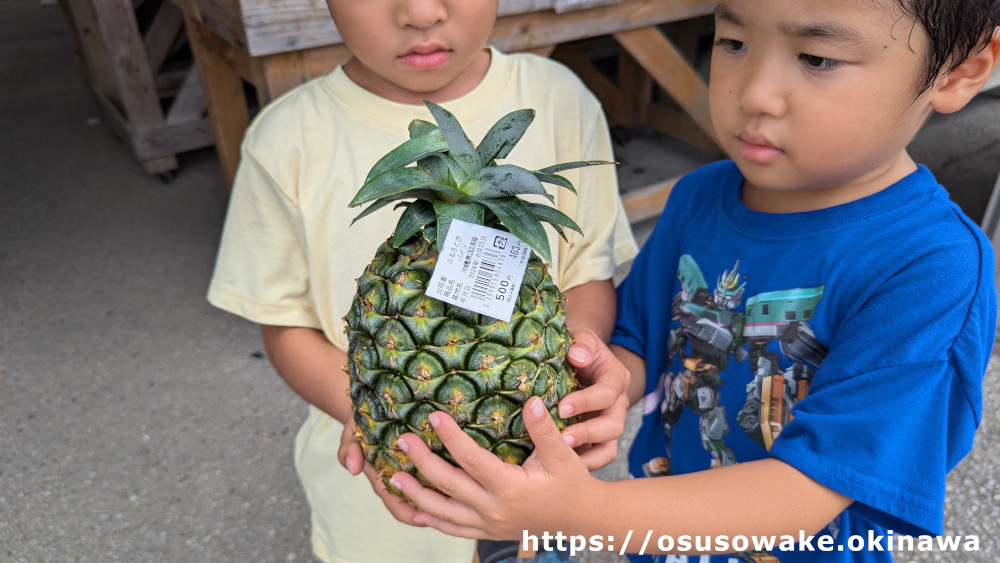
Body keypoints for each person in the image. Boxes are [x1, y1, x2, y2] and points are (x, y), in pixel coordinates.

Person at [385, 0, 1000, 561]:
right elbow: (636, 341)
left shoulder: (931, 267)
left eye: (817, 58)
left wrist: (582, 512)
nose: (754, 93)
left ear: (957, 73)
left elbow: (809, 490)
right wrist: (593, 392)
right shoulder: (699, 196)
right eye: (732, 41)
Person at [205, 0, 639, 561]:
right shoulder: (285, 139)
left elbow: (584, 278)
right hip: (381, 498)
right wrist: (378, 409)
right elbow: (284, 327)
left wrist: (577, 366)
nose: (420, 12)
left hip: (537, 474)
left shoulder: (559, 99)